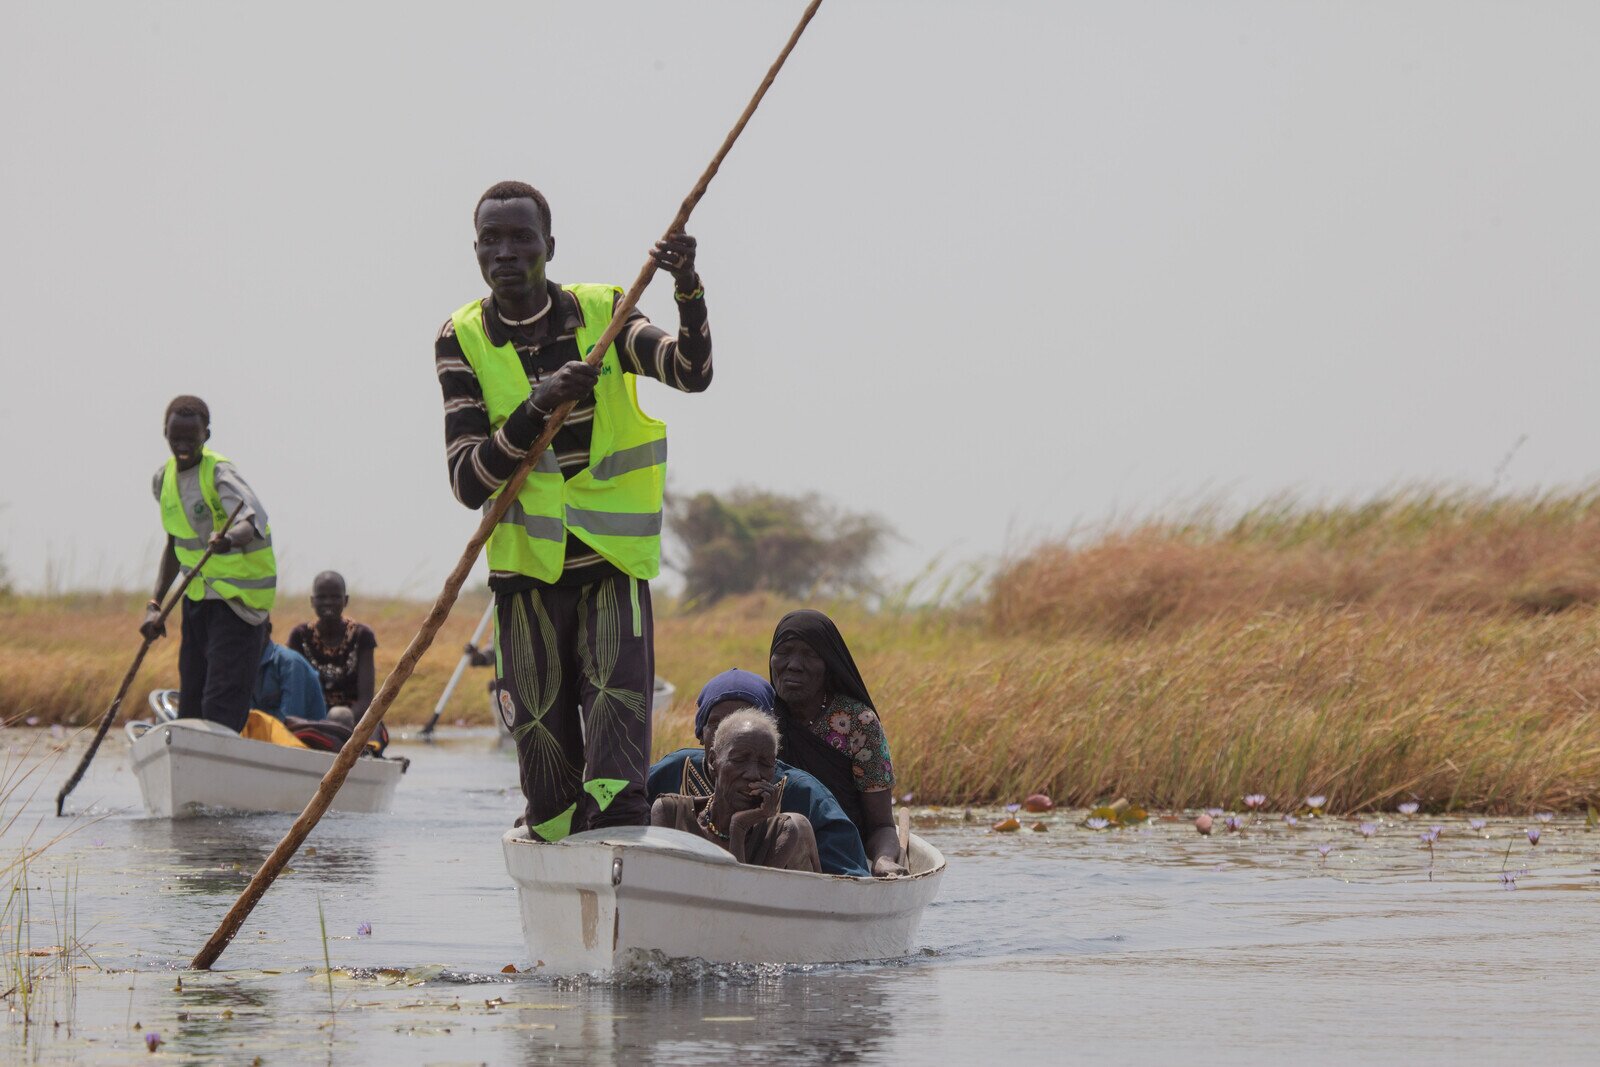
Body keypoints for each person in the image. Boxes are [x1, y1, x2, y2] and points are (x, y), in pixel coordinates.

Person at [435, 180, 712, 841]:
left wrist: (687, 288)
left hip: (612, 566)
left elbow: (690, 371)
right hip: (525, 577)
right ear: (476, 251)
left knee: (616, 763)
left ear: (549, 247)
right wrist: (537, 406)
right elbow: (468, 480)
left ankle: (617, 860)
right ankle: (557, 862)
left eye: (521, 238)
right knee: (545, 766)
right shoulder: (461, 338)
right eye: (491, 240)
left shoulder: (603, 314)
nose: (506, 252)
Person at [648, 669, 870, 877]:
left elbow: (847, 874)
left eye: (747, 722)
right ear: (701, 734)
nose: (753, 774)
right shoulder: (671, 789)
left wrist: (740, 827)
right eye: (717, 724)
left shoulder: (801, 796)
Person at [141, 395, 276, 732]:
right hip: (197, 601)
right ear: (165, 433)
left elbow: (249, 522)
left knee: (220, 703)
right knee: (191, 704)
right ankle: (192, 758)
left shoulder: (219, 473)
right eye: (176, 438)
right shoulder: (163, 480)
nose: (183, 446)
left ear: (207, 435)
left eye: (191, 438)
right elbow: (175, 545)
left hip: (237, 604)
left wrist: (228, 539)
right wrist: (155, 605)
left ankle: (220, 754)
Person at [769, 610, 908, 878]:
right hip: (772, 852)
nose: (794, 664)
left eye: (810, 654)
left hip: (843, 857)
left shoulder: (858, 722)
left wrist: (883, 861)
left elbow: (881, 826)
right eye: (783, 652)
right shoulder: (760, 715)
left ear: (828, 664)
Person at [651, 709, 820, 873]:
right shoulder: (671, 812)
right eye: (739, 760)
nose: (754, 774)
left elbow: (741, 891)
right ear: (712, 761)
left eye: (765, 764)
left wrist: (739, 828)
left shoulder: (779, 832)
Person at [287, 571, 377, 724]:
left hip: (354, 718)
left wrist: (338, 723)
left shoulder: (362, 635)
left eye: (335, 597)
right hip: (312, 719)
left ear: (345, 600)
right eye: (322, 597)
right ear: (312, 601)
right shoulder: (300, 636)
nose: (328, 602)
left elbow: (365, 700)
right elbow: (294, 691)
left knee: (339, 716)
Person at [254, 623, 328, 722]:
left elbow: (290, 719)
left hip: (299, 730)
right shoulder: (245, 665)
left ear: (268, 629)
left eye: (251, 629)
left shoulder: (290, 663)